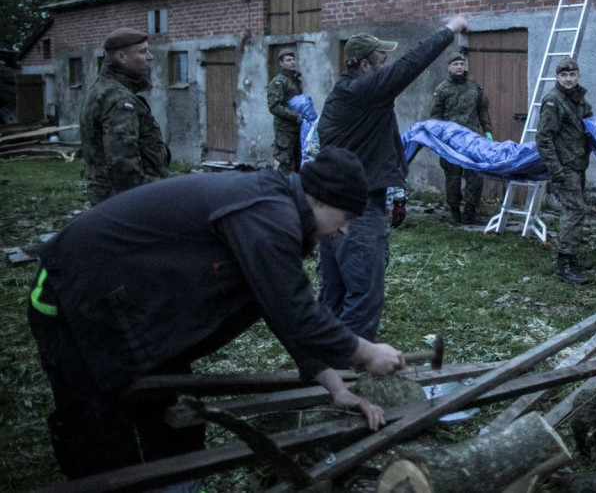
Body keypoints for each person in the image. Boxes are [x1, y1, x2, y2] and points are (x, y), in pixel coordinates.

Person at [27, 146, 406, 480]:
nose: (345, 231)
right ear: (321, 200)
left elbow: (276, 305)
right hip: (74, 298)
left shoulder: (275, 210)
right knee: (102, 439)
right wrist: (365, 351)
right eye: (348, 216)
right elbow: (296, 311)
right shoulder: (267, 213)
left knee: (175, 426)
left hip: (135, 309)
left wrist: (335, 386)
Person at [317, 16, 469, 340]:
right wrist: (449, 30)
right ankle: (353, 371)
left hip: (335, 208)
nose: (387, 68)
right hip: (356, 211)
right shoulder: (362, 92)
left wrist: (396, 193)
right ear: (364, 66)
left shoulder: (349, 93)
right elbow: (411, 66)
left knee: (335, 293)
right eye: (382, 62)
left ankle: (325, 365)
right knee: (363, 293)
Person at [79, 27, 170, 205]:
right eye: (143, 51)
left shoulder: (103, 88)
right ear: (122, 58)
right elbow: (123, 164)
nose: (150, 56)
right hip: (125, 198)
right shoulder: (119, 98)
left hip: (111, 195)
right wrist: (157, 193)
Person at [536, 57, 594, 285]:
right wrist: (556, 169)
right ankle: (564, 264)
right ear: (557, 78)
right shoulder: (553, 101)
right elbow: (543, 138)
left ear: (578, 76)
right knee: (573, 211)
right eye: (563, 76)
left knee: (576, 211)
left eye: (572, 75)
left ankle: (572, 256)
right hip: (565, 166)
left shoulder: (579, 99)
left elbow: (589, 124)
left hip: (578, 162)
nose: (568, 79)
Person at [430, 51, 494, 225]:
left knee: (475, 174)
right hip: (451, 140)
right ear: (449, 68)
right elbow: (436, 116)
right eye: (455, 64)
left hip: (472, 139)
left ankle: (471, 212)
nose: (459, 67)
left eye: (461, 63)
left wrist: (488, 132)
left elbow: (483, 110)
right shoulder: (442, 89)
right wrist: (439, 139)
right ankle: (454, 212)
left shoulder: (474, 86)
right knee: (453, 175)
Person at [266, 47, 304, 173]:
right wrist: (295, 116)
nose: (292, 62)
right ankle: (282, 191)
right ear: (281, 63)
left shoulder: (295, 80)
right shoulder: (278, 82)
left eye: (293, 60)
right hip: (284, 130)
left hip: (297, 129)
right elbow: (274, 107)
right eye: (288, 60)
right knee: (286, 164)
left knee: (299, 162)